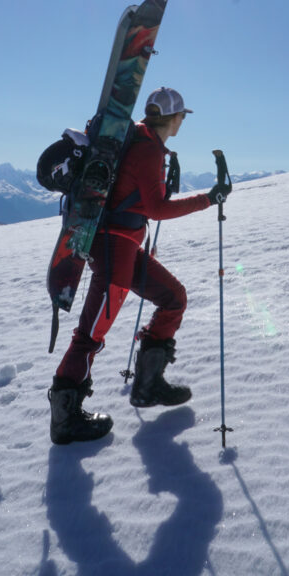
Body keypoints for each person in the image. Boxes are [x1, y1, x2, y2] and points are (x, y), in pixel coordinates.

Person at [48, 87, 231, 445]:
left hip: (123, 248)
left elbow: (142, 199)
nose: (182, 122)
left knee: (173, 297)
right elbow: (157, 210)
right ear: (173, 118)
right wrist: (208, 199)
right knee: (91, 334)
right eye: (182, 116)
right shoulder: (147, 148)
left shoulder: (145, 142)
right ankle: (65, 419)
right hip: (115, 252)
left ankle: (148, 385)